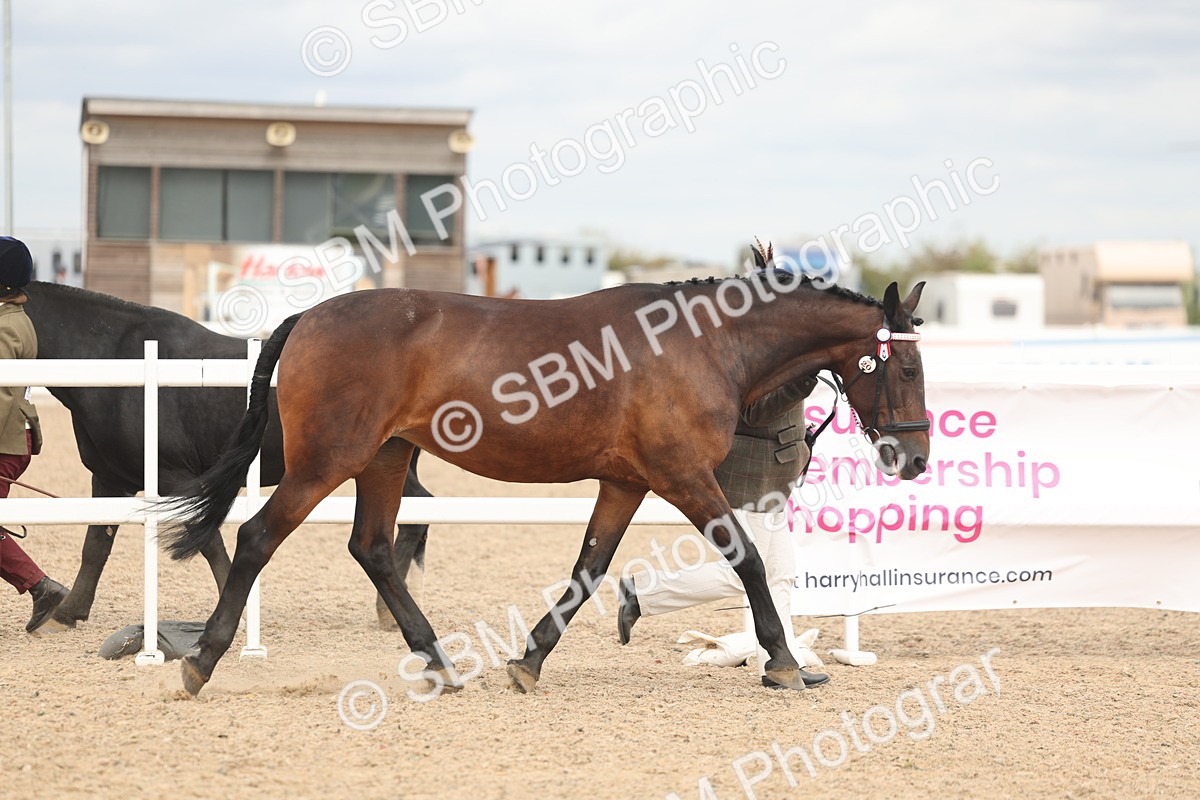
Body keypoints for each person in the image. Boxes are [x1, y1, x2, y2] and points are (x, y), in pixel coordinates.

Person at [616, 371, 828, 688]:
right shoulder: (761, 350)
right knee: (740, 573)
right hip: (749, 476)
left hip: (773, 474)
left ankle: (781, 663)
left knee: (780, 572)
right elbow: (754, 414)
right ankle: (642, 594)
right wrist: (803, 381)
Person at [0, 236, 69, 633]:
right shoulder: (8, 320)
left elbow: (3, 393)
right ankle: (40, 588)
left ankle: (41, 586)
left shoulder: (9, 327)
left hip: (4, 441)